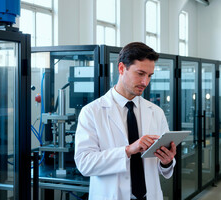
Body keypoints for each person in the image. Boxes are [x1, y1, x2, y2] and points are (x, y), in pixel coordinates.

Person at [75, 42, 176, 200]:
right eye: (140, 73)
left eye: (149, 76)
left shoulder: (156, 112)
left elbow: (162, 168)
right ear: (121, 68)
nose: (145, 82)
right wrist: (128, 150)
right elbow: (84, 164)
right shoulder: (92, 112)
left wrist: (167, 161)